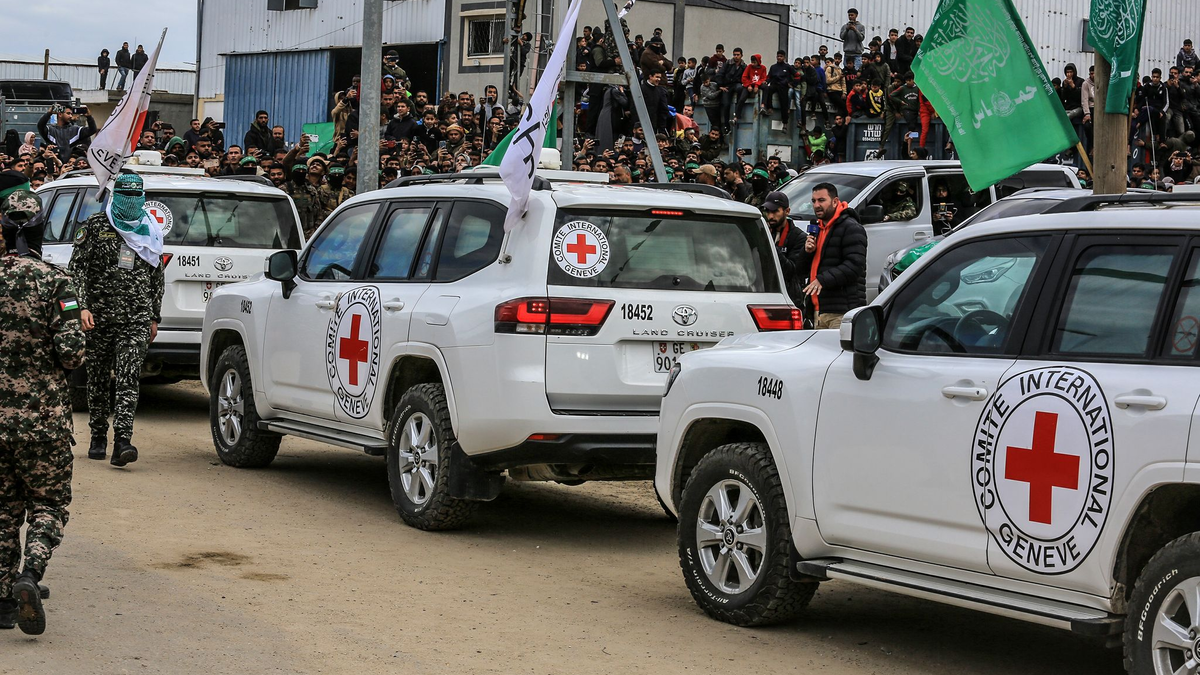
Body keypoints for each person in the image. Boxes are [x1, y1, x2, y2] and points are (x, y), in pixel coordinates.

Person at [0, 185, 85, 636]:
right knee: (48, 504)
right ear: (41, 230)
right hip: (43, 421)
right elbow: (71, 353)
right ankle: (30, 575)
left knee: (2, 511)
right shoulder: (56, 282)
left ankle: (2, 602)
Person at [68, 172, 166, 467]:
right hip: (98, 318)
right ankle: (98, 434)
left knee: (128, 377)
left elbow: (156, 277)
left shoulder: (150, 230)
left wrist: (154, 316)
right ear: (116, 197)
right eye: (126, 196)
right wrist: (82, 307)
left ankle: (123, 440)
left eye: (137, 197)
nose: (131, 202)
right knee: (98, 379)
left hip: (136, 317)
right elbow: (77, 270)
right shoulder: (96, 226)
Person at [797, 182, 866, 329]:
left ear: (835, 202)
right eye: (814, 201)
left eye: (821, 200)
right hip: (819, 310)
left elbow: (855, 266)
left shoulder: (851, 227)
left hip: (841, 312)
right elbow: (801, 269)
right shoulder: (818, 229)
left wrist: (822, 280)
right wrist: (807, 252)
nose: (816, 205)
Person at [760, 190, 805, 307]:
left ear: (787, 211)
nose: (770, 216)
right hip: (765, 293)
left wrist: (771, 246)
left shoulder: (799, 237)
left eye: (775, 211)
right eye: (768, 211)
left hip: (788, 299)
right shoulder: (765, 232)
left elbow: (791, 271)